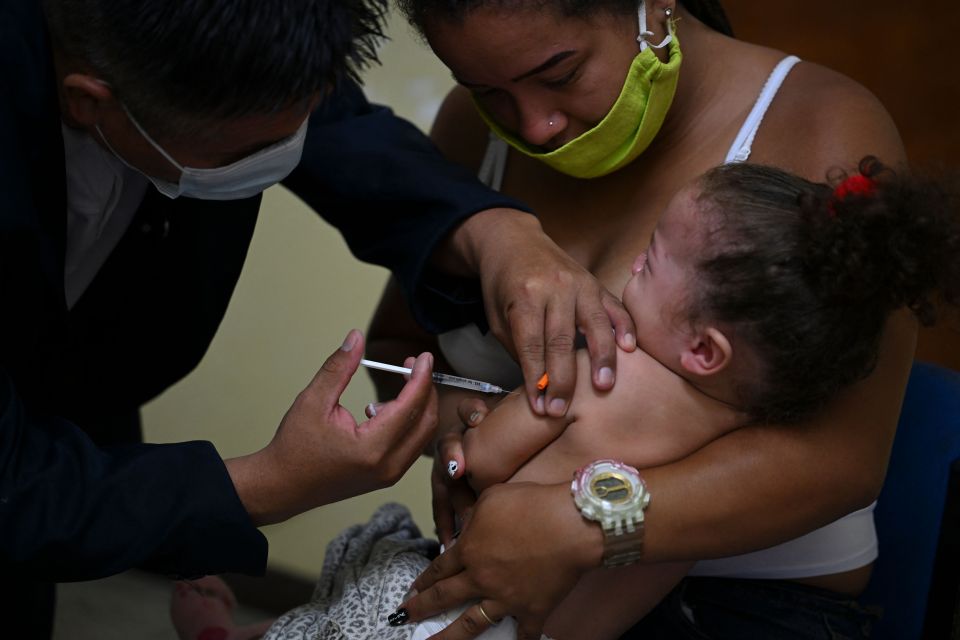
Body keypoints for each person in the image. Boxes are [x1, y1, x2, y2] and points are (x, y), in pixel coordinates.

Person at [0, 0, 637, 635]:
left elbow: (331, 125)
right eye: (258, 147)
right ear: (90, 101)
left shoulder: (226, 63)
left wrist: (491, 228)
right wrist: (267, 484)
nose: (292, 147)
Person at [173, 158, 959, 639]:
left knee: (342, 619)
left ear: (703, 349)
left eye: (651, 262)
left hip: (468, 610)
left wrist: (471, 432)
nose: (628, 272)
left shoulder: (607, 366)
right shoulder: (746, 443)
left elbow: (479, 461)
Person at [361, 0, 920, 638]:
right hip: (506, 572)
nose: (535, 127)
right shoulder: (470, 129)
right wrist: (453, 421)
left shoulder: (819, 121)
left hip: (744, 609)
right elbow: (397, 341)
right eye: (486, 88)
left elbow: (841, 460)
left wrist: (578, 525)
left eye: (561, 73)